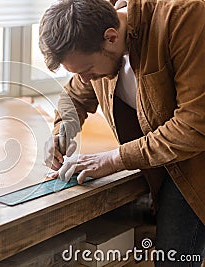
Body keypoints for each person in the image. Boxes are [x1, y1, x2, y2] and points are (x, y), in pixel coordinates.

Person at [39, 0, 205, 266]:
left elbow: (194, 125)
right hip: (160, 156)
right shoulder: (98, 38)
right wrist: (63, 132)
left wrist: (113, 159)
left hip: (196, 160)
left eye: (86, 71)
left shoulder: (183, 16)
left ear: (111, 37)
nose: (85, 80)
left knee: (173, 257)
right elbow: (73, 97)